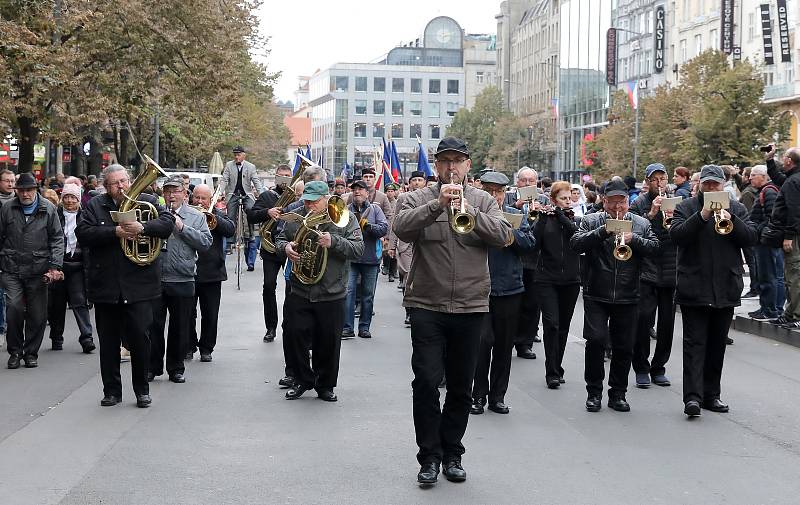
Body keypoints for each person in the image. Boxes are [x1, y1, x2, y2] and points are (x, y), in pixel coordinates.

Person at [393, 137, 513, 485]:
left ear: (467, 166)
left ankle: (453, 453)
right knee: (427, 381)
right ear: (436, 166)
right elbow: (401, 228)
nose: (451, 167)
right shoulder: (416, 198)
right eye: (445, 161)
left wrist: (470, 212)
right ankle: (428, 457)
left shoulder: (484, 200)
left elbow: (504, 235)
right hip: (426, 304)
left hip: (471, 305)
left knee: (461, 386)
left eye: (457, 161)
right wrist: (436, 206)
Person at [76, 164, 175, 407]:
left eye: (123, 181)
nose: (121, 186)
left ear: (130, 180)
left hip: (140, 285)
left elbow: (168, 223)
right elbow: (84, 233)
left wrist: (144, 227)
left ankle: (142, 390)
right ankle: (111, 391)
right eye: (114, 183)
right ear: (106, 186)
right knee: (108, 343)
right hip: (107, 286)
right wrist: (115, 232)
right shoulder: (95, 205)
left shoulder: (148, 200)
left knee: (141, 340)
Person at [669, 165, 757, 417]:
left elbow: (751, 238)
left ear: (723, 185)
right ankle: (693, 398)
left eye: (715, 185)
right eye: (706, 184)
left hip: (725, 287)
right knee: (694, 344)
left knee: (717, 345)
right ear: (699, 185)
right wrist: (703, 215)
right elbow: (677, 236)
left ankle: (711, 395)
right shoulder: (685, 207)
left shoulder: (737, 207)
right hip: (694, 287)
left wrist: (733, 220)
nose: (710, 188)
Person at [570, 178, 658, 413]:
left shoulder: (640, 224)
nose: (617, 208)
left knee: (624, 346)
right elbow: (576, 244)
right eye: (612, 203)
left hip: (629, 293)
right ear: (604, 202)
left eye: (622, 202)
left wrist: (634, 240)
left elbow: (655, 248)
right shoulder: (591, 220)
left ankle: (618, 393)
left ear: (628, 202)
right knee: (596, 341)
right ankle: (594, 392)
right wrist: (602, 231)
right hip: (596, 292)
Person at [274, 181, 364, 402]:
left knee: (329, 341)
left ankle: (325, 385)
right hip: (300, 288)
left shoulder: (345, 218)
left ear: (326, 198)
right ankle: (302, 379)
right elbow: (278, 240)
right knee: (294, 335)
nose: (309, 205)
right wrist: (285, 248)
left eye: (314, 201)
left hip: (332, 290)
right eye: (306, 200)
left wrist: (334, 241)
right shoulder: (296, 216)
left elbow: (359, 250)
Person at [470, 171, 535, 415]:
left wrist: (509, 232)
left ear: (505, 193)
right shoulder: (474, 214)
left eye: (498, 191)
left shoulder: (517, 215)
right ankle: (477, 395)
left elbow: (529, 245)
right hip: (479, 287)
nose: (494, 196)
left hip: (509, 287)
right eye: (488, 191)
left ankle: (498, 396)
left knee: (504, 346)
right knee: (481, 343)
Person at [148, 175, 212, 383]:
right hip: (156, 277)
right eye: (167, 191)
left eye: (175, 191)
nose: (171, 195)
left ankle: (176, 368)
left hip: (183, 277)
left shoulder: (196, 216)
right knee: (153, 325)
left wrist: (182, 228)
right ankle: (153, 367)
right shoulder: (154, 213)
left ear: (185, 195)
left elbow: (205, 242)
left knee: (180, 326)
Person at [1, 173, 64, 369]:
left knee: (37, 314)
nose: (25, 194)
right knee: (14, 309)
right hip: (11, 267)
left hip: (38, 269)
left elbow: (57, 238)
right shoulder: (7, 208)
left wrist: (55, 266)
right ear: (17, 192)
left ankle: (30, 352)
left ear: (35, 190)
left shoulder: (48, 208)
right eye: (21, 191)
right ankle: (15, 351)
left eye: (29, 190)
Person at [629, 164, 677, 388]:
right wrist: (652, 214)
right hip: (646, 268)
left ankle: (659, 367)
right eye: (655, 179)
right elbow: (634, 233)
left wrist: (673, 218)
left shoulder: (676, 200)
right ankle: (641, 367)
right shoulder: (638, 203)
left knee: (667, 323)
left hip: (669, 267)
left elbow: (681, 232)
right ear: (647, 181)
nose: (659, 183)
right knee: (643, 320)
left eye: (662, 178)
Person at [531, 181, 581, 389]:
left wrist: (562, 214)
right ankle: (551, 371)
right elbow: (533, 243)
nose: (567, 202)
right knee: (552, 324)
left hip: (571, 280)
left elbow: (576, 236)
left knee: (564, 327)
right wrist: (542, 218)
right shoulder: (546, 219)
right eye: (563, 199)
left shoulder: (576, 219)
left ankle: (557, 366)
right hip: (547, 279)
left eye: (569, 198)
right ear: (553, 200)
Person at [247, 163, 293, 343]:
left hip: (290, 248)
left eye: (287, 175)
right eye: (281, 175)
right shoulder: (267, 196)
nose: (284, 178)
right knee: (268, 286)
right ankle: (271, 327)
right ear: (276, 177)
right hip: (270, 249)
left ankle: (289, 325)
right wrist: (268, 212)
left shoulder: (296, 196)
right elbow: (251, 216)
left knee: (292, 289)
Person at [190, 184, 235, 361]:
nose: (200, 201)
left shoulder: (217, 214)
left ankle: (206, 348)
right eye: (197, 197)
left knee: (210, 313)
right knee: (188, 313)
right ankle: (189, 345)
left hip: (212, 271)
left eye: (203, 198)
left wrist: (212, 216)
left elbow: (230, 229)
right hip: (189, 270)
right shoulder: (186, 213)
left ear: (210, 200)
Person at [47, 183, 94, 353]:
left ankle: (87, 337)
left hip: (78, 265)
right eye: (66, 197)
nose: (69, 201)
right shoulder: (55, 215)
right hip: (59, 265)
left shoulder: (85, 216)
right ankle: (56, 337)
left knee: (79, 301)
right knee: (56, 305)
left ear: (79, 200)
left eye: (73, 197)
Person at [507, 167, 548, 359]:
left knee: (532, 304)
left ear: (537, 183)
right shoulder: (507, 198)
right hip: (512, 258)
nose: (527, 184)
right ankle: (508, 339)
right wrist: (516, 206)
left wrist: (542, 214)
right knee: (512, 303)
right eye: (524, 180)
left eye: (531, 181)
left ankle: (525, 343)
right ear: (517, 183)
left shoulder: (545, 200)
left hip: (535, 260)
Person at [342, 180, 388, 339]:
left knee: (368, 295)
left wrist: (368, 227)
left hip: (371, 260)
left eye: (361, 190)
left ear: (367, 193)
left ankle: (364, 327)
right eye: (354, 190)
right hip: (351, 258)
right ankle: (347, 328)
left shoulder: (375, 209)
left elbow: (384, 228)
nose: (357, 192)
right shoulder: (346, 210)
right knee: (348, 293)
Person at [765, 146, 800, 328]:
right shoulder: (793, 179)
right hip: (794, 233)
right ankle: (790, 313)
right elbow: (780, 180)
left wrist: (789, 236)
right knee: (791, 275)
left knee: (793, 275)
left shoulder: (794, 181)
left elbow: (795, 210)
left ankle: (794, 316)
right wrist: (770, 161)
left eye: (784, 156)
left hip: (794, 236)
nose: (782, 159)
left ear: (789, 161)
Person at [388, 171, 427, 326]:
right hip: (406, 244)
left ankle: (419, 309)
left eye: (420, 180)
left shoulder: (431, 198)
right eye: (414, 180)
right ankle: (409, 311)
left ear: (424, 182)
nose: (417, 183)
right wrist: (392, 245)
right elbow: (395, 223)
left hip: (424, 243)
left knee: (421, 277)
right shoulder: (403, 198)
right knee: (409, 277)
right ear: (410, 183)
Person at [746, 165, 783, 321]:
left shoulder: (768, 191)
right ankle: (771, 308)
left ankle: (769, 309)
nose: (750, 177)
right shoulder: (766, 191)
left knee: (768, 276)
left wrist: (757, 229)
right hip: (766, 239)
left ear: (763, 176)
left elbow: (771, 217)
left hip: (766, 241)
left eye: (753, 175)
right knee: (773, 276)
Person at [219, 146, 263, 267]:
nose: (236, 156)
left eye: (238, 154)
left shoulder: (251, 166)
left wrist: (263, 195)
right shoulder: (229, 165)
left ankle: (250, 235)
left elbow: (256, 182)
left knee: (250, 210)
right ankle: (230, 239)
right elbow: (224, 180)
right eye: (235, 154)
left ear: (244, 155)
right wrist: (218, 193)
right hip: (233, 194)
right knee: (230, 215)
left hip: (247, 194)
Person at [381, 183, 399, 281]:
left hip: (395, 230)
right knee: (386, 252)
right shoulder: (383, 202)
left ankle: (393, 271)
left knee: (394, 253)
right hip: (386, 231)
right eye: (388, 191)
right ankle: (386, 266)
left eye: (392, 191)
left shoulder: (398, 203)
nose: (390, 193)